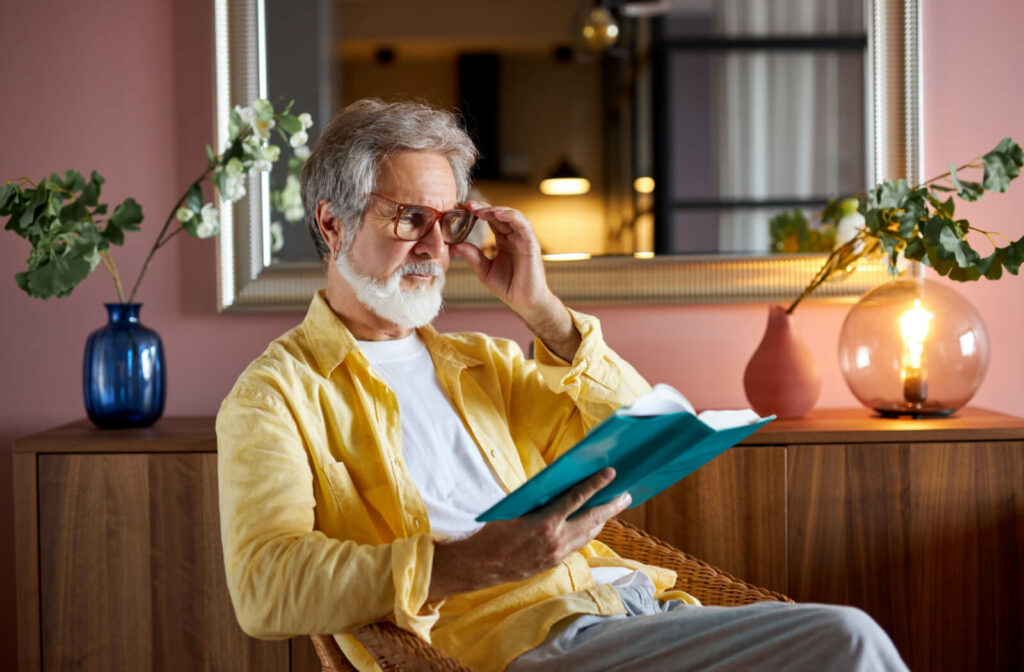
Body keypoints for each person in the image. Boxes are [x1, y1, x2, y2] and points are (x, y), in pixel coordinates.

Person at [216, 98, 908, 672]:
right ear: (331, 223)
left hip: (636, 606)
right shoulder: (275, 394)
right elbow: (265, 587)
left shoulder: (486, 362)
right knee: (847, 641)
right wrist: (460, 566)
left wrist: (543, 310)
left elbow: (642, 428)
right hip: (533, 645)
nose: (433, 248)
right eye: (407, 218)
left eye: (448, 220)